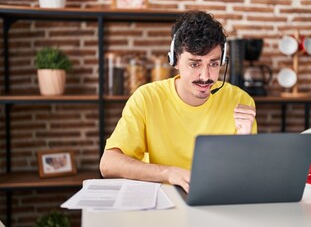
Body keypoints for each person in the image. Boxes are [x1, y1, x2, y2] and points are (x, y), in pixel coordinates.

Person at [100, 11, 257, 193]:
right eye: (194, 64)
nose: (205, 76)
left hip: (217, 201)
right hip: (164, 202)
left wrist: (243, 139)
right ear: (174, 60)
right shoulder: (147, 98)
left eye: (213, 64)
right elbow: (108, 164)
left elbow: (244, 177)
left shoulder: (241, 101)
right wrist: (169, 173)